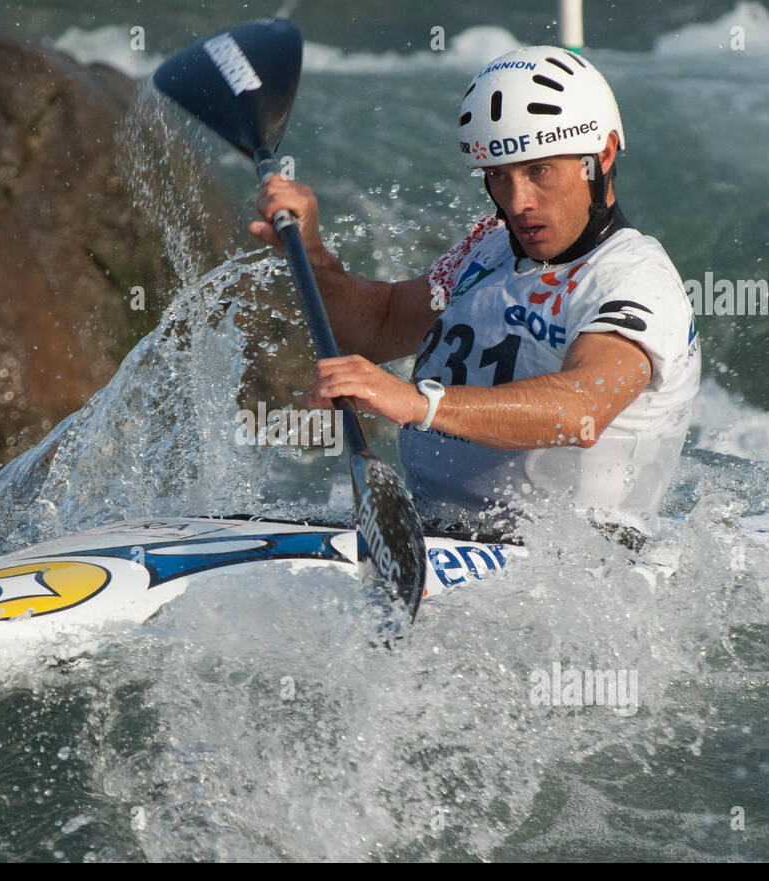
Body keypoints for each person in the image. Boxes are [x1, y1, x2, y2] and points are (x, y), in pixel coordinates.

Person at [249, 45, 700, 541]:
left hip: (584, 563)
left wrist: (416, 403)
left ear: (603, 154)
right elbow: (377, 327)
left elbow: (582, 408)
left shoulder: (635, 278)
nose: (518, 203)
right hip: (440, 533)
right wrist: (310, 251)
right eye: (497, 176)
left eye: (539, 171)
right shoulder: (490, 247)